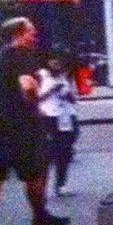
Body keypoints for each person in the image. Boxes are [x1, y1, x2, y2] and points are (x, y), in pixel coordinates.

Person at [0, 17, 69, 225]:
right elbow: (27, 87)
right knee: (35, 172)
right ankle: (40, 218)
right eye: (31, 33)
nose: (34, 37)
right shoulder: (24, 56)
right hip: (23, 125)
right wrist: (35, 105)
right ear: (18, 34)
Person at [36, 49, 80, 196]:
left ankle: (61, 184)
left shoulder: (65, 76)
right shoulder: (41, 75)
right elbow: (35, 98)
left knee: (64, 152)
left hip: (65, 117)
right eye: (53, 60)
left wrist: (67, 93)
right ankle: (41, 187)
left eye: (59, 60)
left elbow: (74, 99)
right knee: (47, 154)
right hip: (49, 117)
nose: (56, 63)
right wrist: (51, 90)